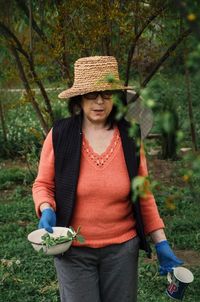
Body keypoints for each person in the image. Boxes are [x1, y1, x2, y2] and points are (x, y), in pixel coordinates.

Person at [32, 56, 183, 302]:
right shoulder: (60, 135)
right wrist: (46, 207)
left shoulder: (130, 136)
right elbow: (43, 184)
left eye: (107, 94)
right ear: (79, 98)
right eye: (92, 94)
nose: (100, 101)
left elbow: (143, 194)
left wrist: (161, 243)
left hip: (122, 251)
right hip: (73, 250)